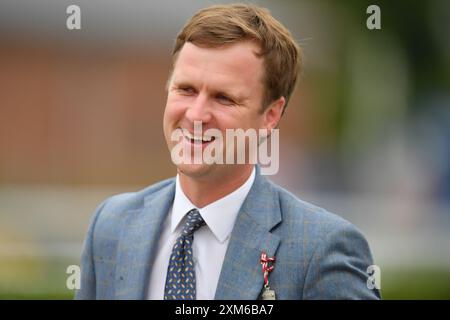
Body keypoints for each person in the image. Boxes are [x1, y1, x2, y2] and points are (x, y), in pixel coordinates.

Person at [75, 3, 380, 300]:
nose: (196, 115)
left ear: (270, 115)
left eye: (223, 98)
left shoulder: (321, 249)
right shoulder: (111, 226)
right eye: (186, 89)